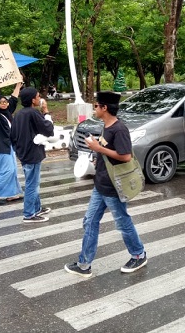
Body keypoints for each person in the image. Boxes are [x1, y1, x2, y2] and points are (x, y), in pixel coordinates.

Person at [65, 91, 147, 278]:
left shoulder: (119, 129)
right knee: (90, 221)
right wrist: (97, 156)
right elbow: (106, 150)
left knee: (122, 222)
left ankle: (138, 254)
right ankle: (84, 264)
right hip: (100, 184)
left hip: (113, 187)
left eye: (96, 106)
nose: (94, 108)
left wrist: (99, 148)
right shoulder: (106, 126)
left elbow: (125, 156)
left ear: (105, 108)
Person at [10, 87, 55, 223]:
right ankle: (29, 213)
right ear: (32, 99)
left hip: (24, 152)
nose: (39, 98)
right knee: (32, 184)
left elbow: (12, 136)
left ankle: (37, 207)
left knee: (33, 181)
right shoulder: (33, 113)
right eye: (37, 96)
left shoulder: (19, 114)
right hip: (32, 153)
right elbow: (48, 128)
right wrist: (46, 111)